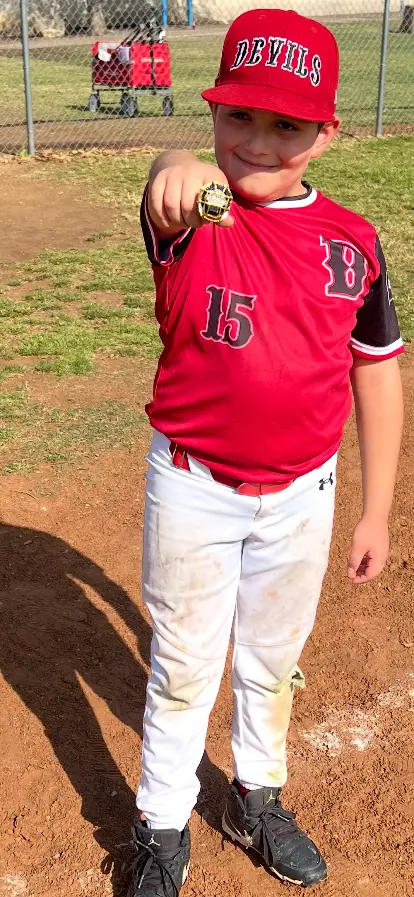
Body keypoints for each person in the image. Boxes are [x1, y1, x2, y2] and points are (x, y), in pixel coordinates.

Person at [126, 8, 404, 895]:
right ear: (212, 112)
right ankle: (161, 822)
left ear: (325, 135)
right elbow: (165, 178)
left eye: (286, 125)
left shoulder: (353, 243)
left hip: (302, 496)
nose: (255, 141)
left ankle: (255, 795)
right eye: (238, 115)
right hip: (194, 486)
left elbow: (376, 373)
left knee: (273, 661)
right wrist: (176, 163)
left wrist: (374, 509)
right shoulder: (196, 217)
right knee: (183, 667)